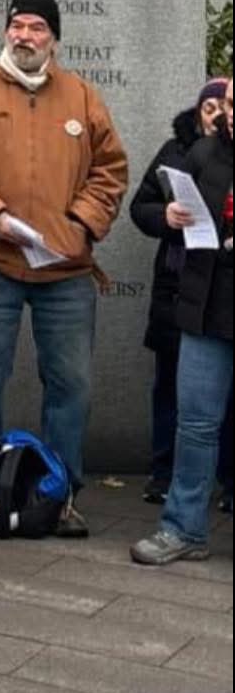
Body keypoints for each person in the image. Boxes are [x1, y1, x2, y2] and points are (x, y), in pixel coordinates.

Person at [0, 0, 128, 538]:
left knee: (72, 386)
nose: (23, 35)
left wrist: (81, 226)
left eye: (36, 27)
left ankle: (59, 496)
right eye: (16, 25)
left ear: (54, 39)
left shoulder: (83, 97)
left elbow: (111, 170)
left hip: (65, 271)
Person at [131, 77, 233, 564]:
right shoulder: (201, 154)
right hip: (204, 307)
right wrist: (168, 212)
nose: (233, 114)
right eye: (232, 104)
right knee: (195, 424)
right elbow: (153, 203)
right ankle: (184, 528)